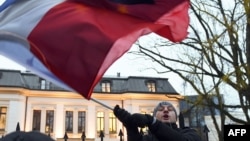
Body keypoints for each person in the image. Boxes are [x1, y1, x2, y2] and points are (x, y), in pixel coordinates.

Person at [113, 101, 202, 141]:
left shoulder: (189, 133)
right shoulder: (147, 138)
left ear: (176, 117)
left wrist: (152, 122)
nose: (166, 110)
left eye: (170, 109)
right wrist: (131, 127)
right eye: (161, 109)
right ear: (155, 115)